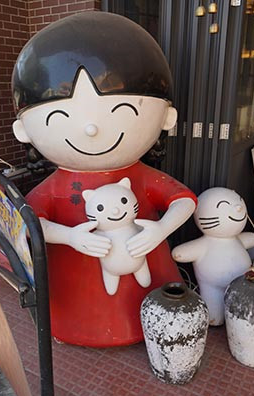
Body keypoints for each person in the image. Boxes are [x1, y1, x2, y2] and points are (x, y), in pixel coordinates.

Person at [11, 12, 197, 347]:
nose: (91, 129)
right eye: (60, 117)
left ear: (166, 118)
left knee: (150, 302)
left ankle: (142, 326)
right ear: (23, 130)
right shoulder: (55, 186)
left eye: (122, 112)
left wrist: (160, 230)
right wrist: (70, 237)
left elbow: (183, 200)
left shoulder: (141, 175)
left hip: (148, 273)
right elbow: (29, 223)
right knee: (74, 309)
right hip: (72, 289)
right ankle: (74, 328)